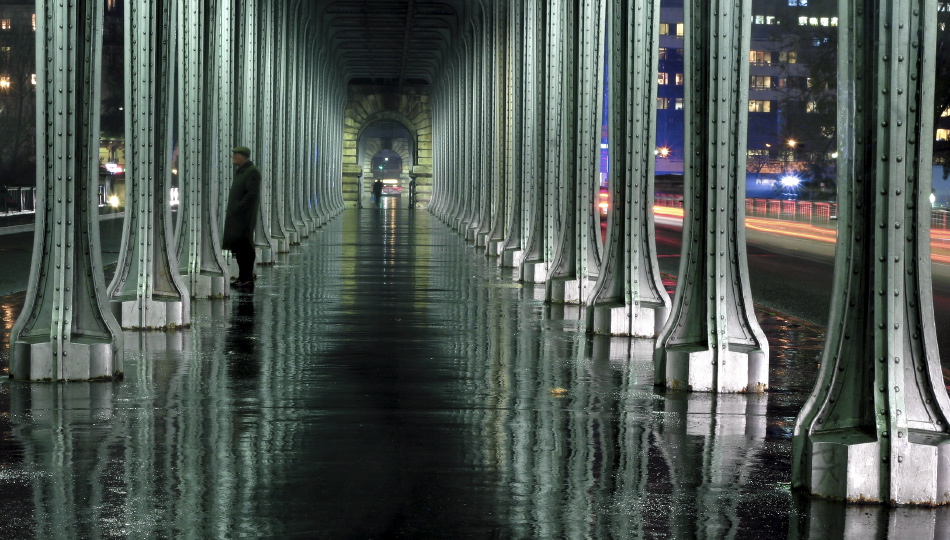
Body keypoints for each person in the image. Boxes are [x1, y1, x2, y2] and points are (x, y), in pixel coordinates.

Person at [222, 146, 261, 291]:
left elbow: (251, 194)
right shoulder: (243, 172)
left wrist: (239, 208)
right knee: (239, 247)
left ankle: (247, 278)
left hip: (243, 217)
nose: (233, 157)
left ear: (243, 156)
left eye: (235, 155)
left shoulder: (252, 172)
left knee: (245, 247)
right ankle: (242, 277)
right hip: (238, 216)